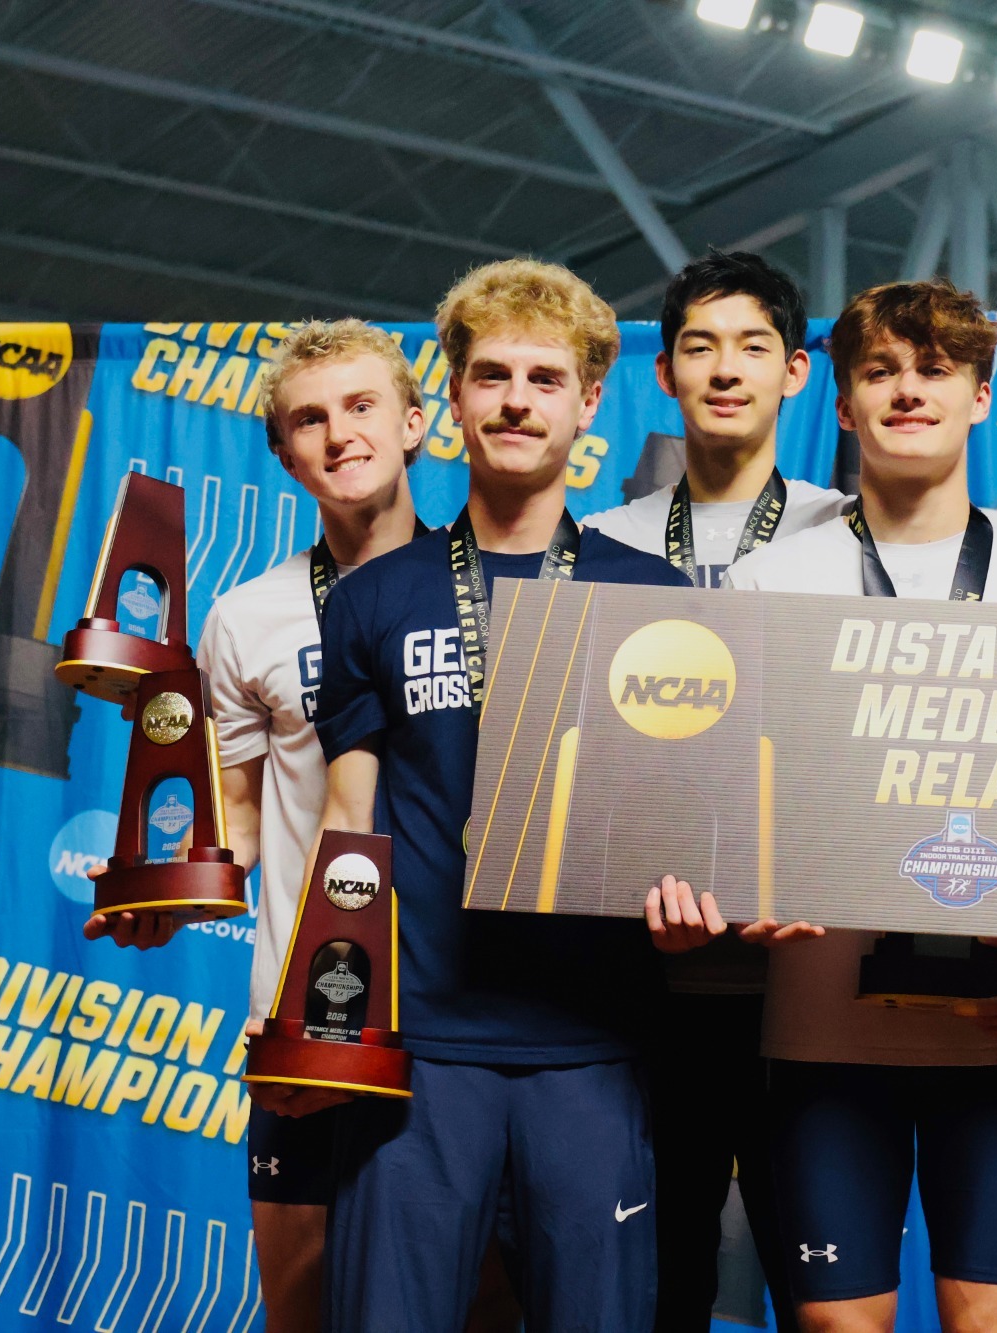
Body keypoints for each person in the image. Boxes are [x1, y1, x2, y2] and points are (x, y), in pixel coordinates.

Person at [652, 279, 997, 1333]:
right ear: (842, 404)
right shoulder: (768, 582)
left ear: (979, 395)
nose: (907, 391)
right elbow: (723, 798)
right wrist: (724, 896)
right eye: (879, 372)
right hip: (820, 1033)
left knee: (990, 1322)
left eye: (933, 370)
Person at [311, 259, 690, 1333]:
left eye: (543, 378)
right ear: (453, 401)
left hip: (591, 1044)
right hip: (421, 1043)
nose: (516, 400)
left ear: (587, 405)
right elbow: (349, 833)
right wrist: (331, 1025)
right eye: (490, 376)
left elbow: (676, 819)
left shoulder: (654, 600)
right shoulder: (376, 597)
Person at [85, 318, 428, 1333]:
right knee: (302, 1303)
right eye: (308, 419)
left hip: (459, 1013)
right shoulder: (249, 615)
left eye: (362, 406)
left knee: (477, 1304)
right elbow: (233, 818)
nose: (340, 434)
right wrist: (166, 900)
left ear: (414, 423)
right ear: (283, 454)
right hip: (304, 1011)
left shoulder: (488, 590)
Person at [585, 249, 843, 1329]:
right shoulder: (598, 548)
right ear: (663, 374)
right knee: (655, 1294)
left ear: (795, 373)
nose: (724, 370)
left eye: (751, 347)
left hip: (815, 1001)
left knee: (827, 1297)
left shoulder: (853, 538)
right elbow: (583, 769)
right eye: (698, 347)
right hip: (646, 1000)